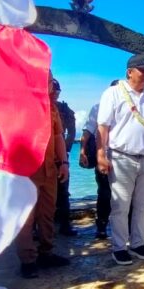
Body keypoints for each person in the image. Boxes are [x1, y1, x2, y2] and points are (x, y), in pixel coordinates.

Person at [96, 54, 144, 266]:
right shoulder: (114, 93)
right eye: (143, 70)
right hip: (121, 157)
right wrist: (101, 154)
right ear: (129, 72)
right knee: (120, 205)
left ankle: (138, 243)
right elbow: (103, 126)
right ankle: (119, 247)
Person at [15, 73, 70, 278]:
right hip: (26, 170)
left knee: (47, 214)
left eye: (51, 81)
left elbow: (58, 137)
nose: (52, 85)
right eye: (48, 81)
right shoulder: (20, 104)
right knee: (26, 218)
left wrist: (64, 162)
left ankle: (46, 253)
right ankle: (27, 260)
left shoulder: (52, 107)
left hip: (50, 169)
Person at [79, 80, 118, 239]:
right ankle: (101, 225)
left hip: (124, 158)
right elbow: (88, 131)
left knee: (124, 194)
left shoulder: (130, 108)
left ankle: (121, 226)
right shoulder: (98, 107)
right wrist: (82, 151)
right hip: (104, 157)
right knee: (105, 193)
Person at [52, 78, 77, 236]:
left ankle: (65, 225)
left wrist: (64, 151)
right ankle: (34, 227)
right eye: (53, 90)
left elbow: (72, 132)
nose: (54, 94)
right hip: (41, 158)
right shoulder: (37, 107)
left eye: (57, 92)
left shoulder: (64, 110)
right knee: (37, 194)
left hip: (61, 158)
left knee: (63, 192)